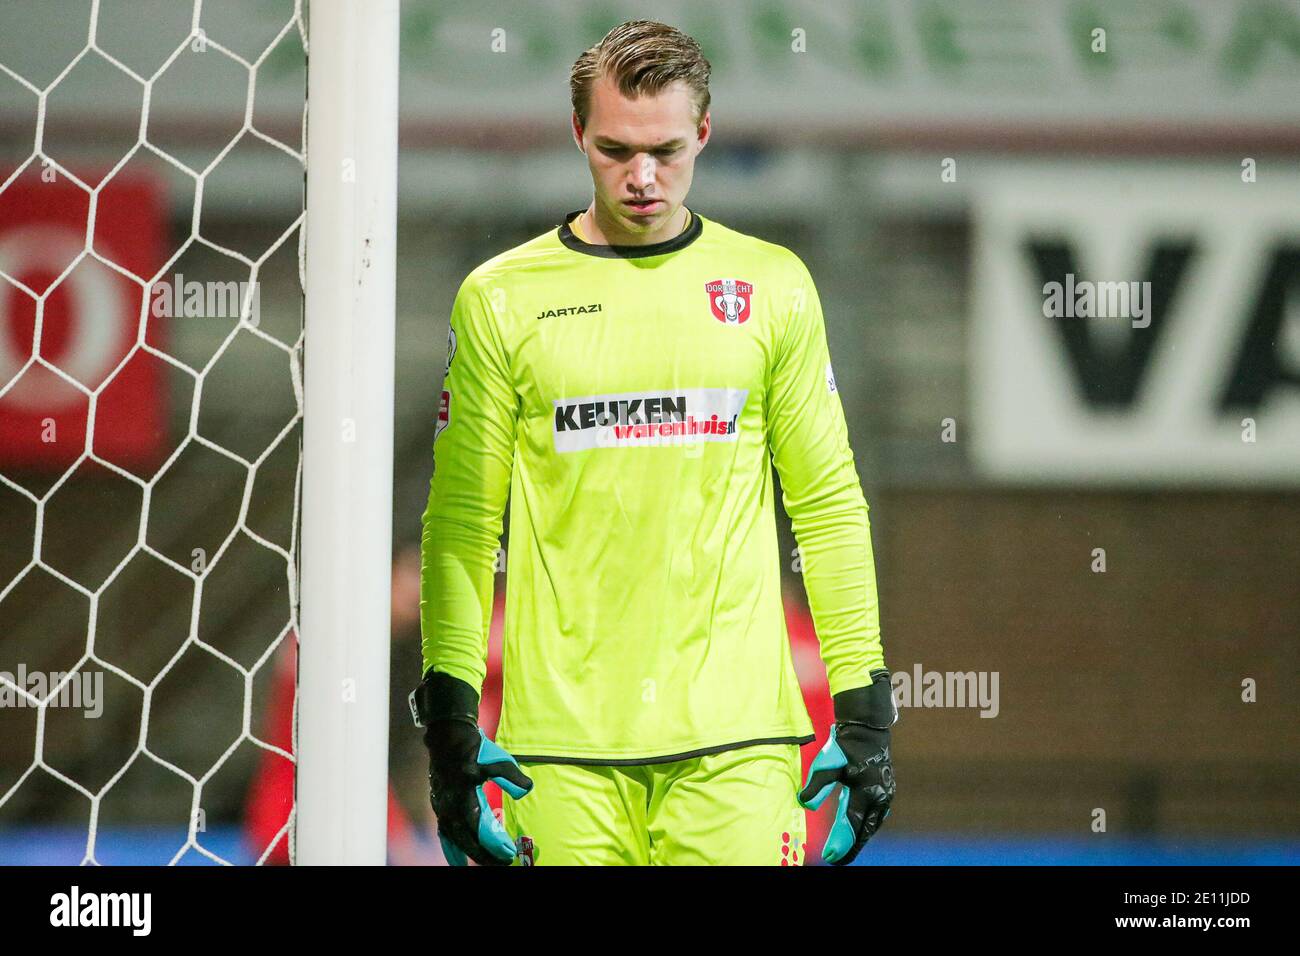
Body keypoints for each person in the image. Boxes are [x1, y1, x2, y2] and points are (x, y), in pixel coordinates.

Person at [410, 19, 895, 866]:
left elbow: (827, 507)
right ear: (577, 135)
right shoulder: (499, 300)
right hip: (555, 755)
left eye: (666, 151)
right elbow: (459, 523)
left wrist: (864, 712)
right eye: (614, 150)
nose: (641, 178)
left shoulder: (772, 286)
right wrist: (450, 717)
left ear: (704, 132)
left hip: (739, 746)